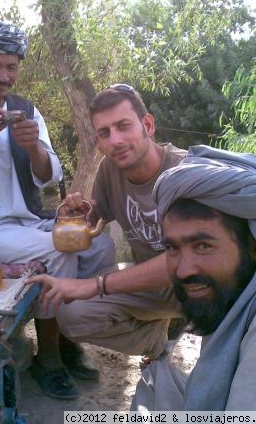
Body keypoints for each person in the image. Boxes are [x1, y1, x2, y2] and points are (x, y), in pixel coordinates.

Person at [0, 21, 115, 400]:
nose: (3, 76)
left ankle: (70, 338)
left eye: (11, 67)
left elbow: (48, 175)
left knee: (100, 247)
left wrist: (35, 147)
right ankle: (48, 357)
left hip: (28, 221)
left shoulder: (25, 110)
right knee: (61, 249)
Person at [27, 84, 186, 361]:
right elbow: (95, 218)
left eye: (123, 126)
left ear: (147, 125)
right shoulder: (111, 169)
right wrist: (75, 214)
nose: (115, 140)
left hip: (199, 288)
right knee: (72, 315)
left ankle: (191, 328)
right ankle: (155, 341)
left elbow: (183, 261)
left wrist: (97, 284)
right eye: (104, 133)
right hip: (150, 283)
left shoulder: (184, 173)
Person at [131, 145, 256, 411]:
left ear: (254, 245)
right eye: (172, 248)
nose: (184, 270)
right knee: (155, 381)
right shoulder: (235, 296)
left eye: (203, 246)